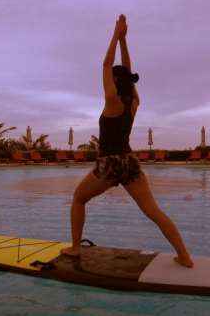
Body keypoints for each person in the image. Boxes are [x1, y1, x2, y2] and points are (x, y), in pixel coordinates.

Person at [60, 14, 194, 268]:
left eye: (112, 78)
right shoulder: (134, 103)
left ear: (115, 81)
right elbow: (126, 73)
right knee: (153, 211)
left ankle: (76, 248)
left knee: (78, 198)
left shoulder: (112, 101)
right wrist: (124, 40)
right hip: (130, 162)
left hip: (110, 163)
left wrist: (115, 35)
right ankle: (185, 257)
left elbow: (106, 64)